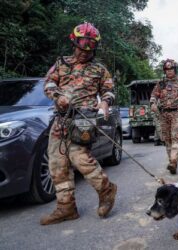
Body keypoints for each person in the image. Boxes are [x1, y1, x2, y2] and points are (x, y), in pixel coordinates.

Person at [41, 22, 117, 225]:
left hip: (84, 120)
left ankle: (106, 190)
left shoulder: (99, 69)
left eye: (90, 47)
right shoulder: (61, 64)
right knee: (57, 164)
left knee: (80, 159)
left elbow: (109, 90)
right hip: (61, 120)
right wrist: (57, 95)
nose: (85, 51)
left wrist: (105, 102)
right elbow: (48, 83)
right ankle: (66, 207)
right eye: (82, 46)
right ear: (74, 42)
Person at [150, 59, 178, 174]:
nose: (169, 71)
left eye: (171, 69)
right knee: (167, 139)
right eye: (167, 69)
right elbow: (154, 95)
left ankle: (173, 162)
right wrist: (153, 103)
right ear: (165, 71)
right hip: (163, 114)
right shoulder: (161, 83)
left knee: (176, 137)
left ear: (175, 70)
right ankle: (172, 162)